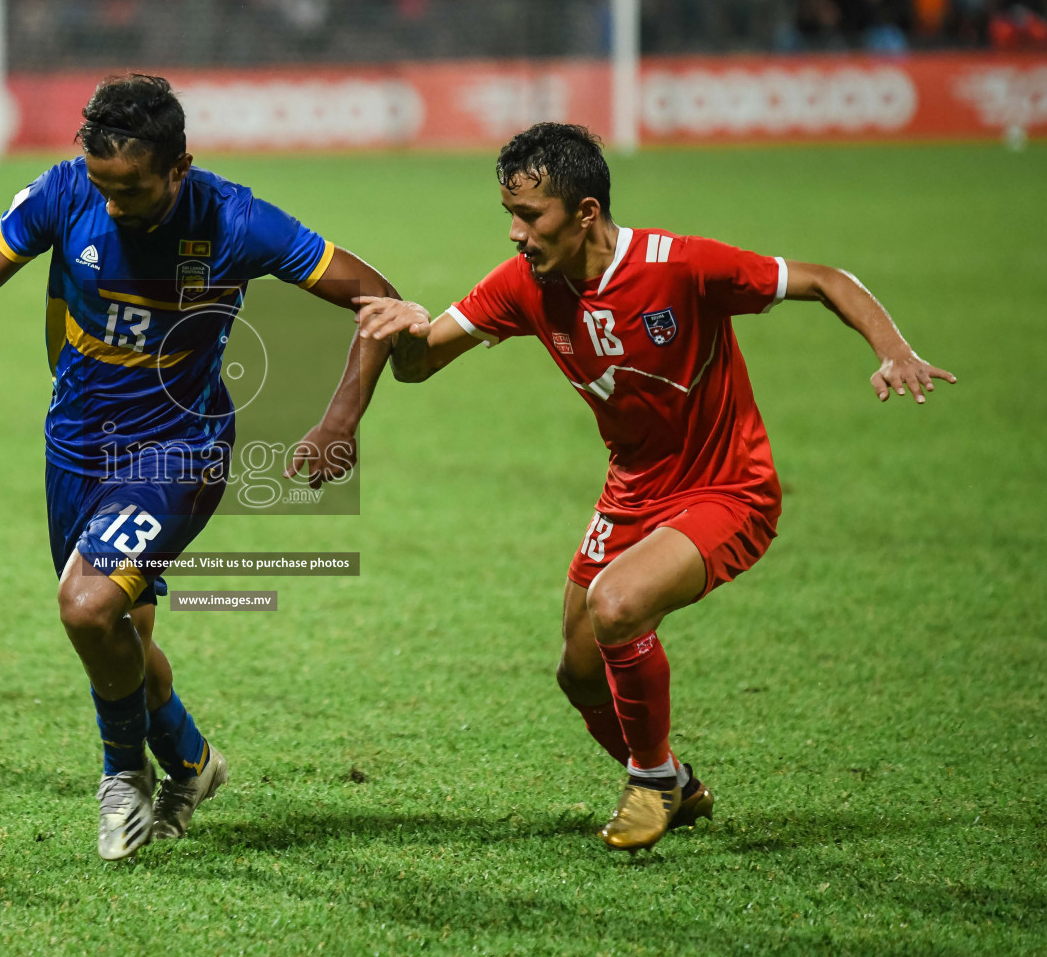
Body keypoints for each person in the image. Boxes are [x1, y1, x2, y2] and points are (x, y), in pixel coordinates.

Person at [354, 123, 954, 852]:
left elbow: (825, 280)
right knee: (577, 675)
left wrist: (892, 350)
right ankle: (673, 781)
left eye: (530, 216)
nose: (514, 233)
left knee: (617, 605)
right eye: (508, 215)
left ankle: (646, 779)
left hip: (727, 489)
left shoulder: (680, 268)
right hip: (632, 492)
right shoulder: (524, 285)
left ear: (583, 213)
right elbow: (419, 368)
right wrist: (402, 331)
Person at [0, 74, 399, 860]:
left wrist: (340, 417)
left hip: (182, 448)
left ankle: (122, 776)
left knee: (83, 607)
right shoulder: (63, 191)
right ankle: (191, 765)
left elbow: (377, 299)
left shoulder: (236, 221)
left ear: (179, 168)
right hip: (75, 448)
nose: (112, 203)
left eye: (132, 188)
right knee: (119, 639)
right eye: (102, 184)